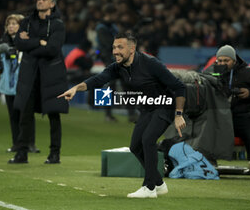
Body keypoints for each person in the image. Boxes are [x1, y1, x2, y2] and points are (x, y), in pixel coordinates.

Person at [58, 32, 187, 198]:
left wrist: (178, 114)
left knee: (148, 139)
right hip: (148, 109)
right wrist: (76, 88)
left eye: (120, 47)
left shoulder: (150, 63)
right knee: (135, 146)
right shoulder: (118, 67)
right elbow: (98, 79)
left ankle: (149, 188)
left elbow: (179, 87)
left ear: (132, 49)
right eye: (114, 47)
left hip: (166, 107)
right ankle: (159, 183)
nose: (115, 51)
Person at [8, 0, 69, 164]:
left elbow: (53, 49)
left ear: (52, 4)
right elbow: (19, 43)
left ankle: (54, 154)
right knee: (25, 115)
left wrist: (31, 44)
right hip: (30, 75)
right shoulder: (27, 22)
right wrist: (39, 42)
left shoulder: (58, 24)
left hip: (51, 76)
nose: (40, 1)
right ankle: (22, 153)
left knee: (53, 115)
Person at [207, 45, 250, 179]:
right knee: (208, 129)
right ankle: (209, 163)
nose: (223, 64)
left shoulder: (248, 72)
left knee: (249, 133)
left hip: (247, 115)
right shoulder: (213, 71)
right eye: (220, 60)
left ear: (234, 61)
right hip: (224, 117)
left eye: (226, 61)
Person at [0, 14, 39, 154]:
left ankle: (30, 143)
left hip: (24, 84)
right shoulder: (1, 44)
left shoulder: (28, 43)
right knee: (13, 115)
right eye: (9, 24)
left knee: (27, 114)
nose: (11, 26)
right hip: (8, 85)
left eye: (14, 24)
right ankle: (16, 143)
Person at [95, 4, 119, 122]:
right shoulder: (101, 27)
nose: (116, 16)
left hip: (116, 58)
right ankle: (107, 113)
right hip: (108, 59)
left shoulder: (112, 26)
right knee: (110, 85)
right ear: (109, 14)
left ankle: (131, 113)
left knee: (125, 83)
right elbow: (108, 43)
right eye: (115, 14)